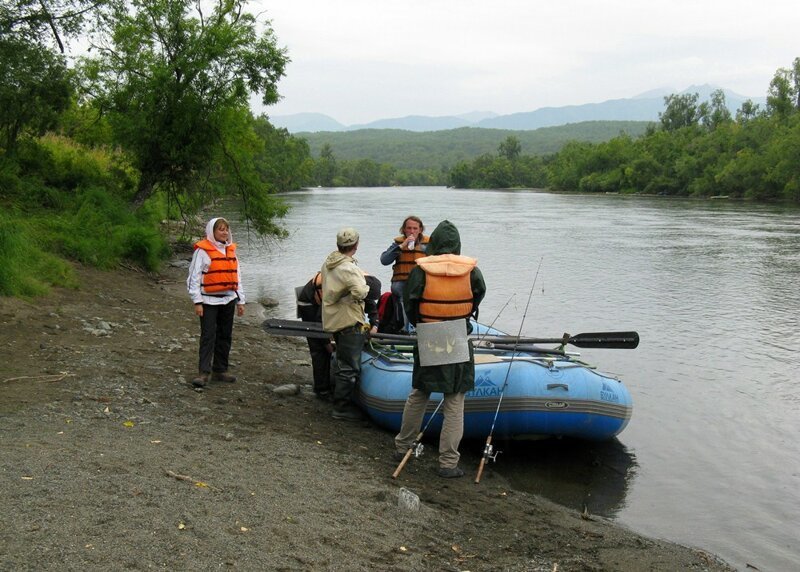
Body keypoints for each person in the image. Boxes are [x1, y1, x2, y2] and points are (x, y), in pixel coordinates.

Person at [393, 220, 486, 478]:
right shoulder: (472, 271)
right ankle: (448, 463)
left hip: (429, 334)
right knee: (454, 399)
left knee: (420, 393)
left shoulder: (421, 270)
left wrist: (423, 323)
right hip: (457, 335)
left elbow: (411, 303)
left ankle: (402, 446)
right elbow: (478, 295)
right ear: (457, 244)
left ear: (432, 244)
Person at [297, 271, 381, 401]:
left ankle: (334, 381)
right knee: (319, 348)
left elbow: (371, 308)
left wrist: (374, 325)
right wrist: (327, 344)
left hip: (327, 302)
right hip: (310, 303)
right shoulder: (340, 289)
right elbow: (321, 320)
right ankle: (322, 390)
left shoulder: (365, 286)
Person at [187, 217, 246, 388]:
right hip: (208, 301)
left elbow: (237, 277)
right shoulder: (202, 251)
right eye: (220, 229)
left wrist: (241, 301)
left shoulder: (231, 251)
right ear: (212, 232)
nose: (224, 232)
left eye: (226, 229)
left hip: (228, 299)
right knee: (208, 336)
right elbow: (194, 278)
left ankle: (220, 369)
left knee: (225, 335)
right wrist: (197, 301)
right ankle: (203, 372)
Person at [321, 227, 370, 421]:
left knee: (342, 359)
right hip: (349, 318)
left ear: (338, 245)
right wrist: (366, 285)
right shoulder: (349, 268)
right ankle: (341, 408)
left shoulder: (329, 263)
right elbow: (360, 291)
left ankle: (338, 400)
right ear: (356, 245)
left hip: (334, 318)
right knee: (349, 365)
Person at [379, 216, 428, 333]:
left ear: (420, 230)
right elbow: (384, 260)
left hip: (420, 283)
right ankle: (405, 329)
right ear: (404, 230)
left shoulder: (428, 245)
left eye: (415, 228)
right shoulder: (398, 244)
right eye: (409, 228)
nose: (412, 231)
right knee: (401, 294)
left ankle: (421, 327)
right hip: (401, 282)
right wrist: (401, 246)